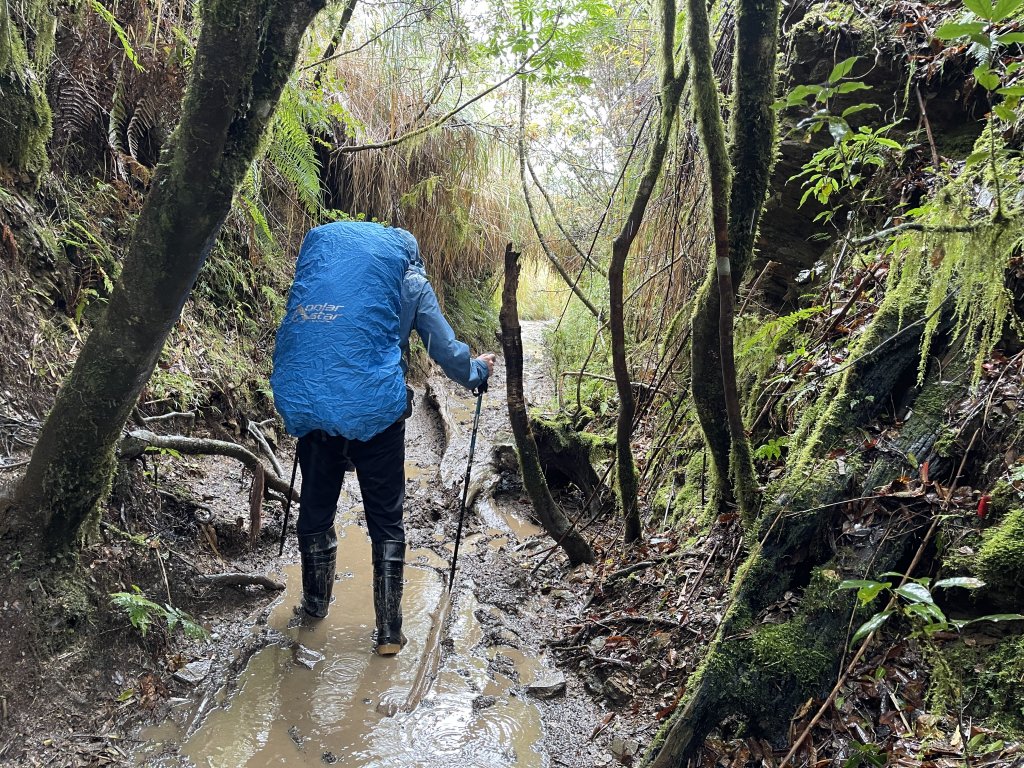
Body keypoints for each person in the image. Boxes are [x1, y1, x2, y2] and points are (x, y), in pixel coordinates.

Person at [270, 220, 495, 656]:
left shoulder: (325, 276)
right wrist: (477, 372)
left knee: (316, 513)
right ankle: (389, 632)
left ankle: (315, 608)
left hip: (315, 409)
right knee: (386, 521)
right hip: (375, 416)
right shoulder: (409, 279)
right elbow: (444, 349)